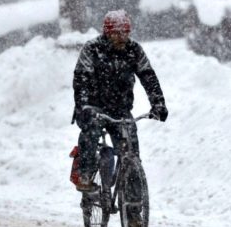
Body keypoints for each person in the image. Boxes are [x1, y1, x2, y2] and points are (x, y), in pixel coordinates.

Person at [71, 10, 168, 192]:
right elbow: (81, 79)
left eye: (125, 33)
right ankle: (85, 174)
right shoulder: (92, 49)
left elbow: (148, 77)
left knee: (131, 153)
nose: (121, 37)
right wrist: (83, 105)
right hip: (93, 107)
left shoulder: (134, 50)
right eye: (116, 33)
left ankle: (134, 212)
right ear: (107, 32)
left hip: (120, 109)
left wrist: (158, 103)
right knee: (91, 133)